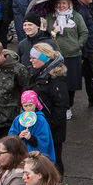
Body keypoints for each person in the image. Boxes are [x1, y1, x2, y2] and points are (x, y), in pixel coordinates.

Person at [26, 43, 69, 173]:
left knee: (53, 162)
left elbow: (61, 106)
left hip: (52, 129)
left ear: (44, 59)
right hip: (38, 126)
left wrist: (48, 126)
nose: (31, 60)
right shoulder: (36, 73)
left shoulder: (55, 78)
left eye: (34, 57)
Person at [44, 0, 88, 110]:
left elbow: (84, 33)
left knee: (71, 83)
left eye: (64, 3)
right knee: (57, 81)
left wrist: (78, 45)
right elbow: (45, 34)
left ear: (69, 4)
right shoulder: (50, 17)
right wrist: (54, 32)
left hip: (72, 55)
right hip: (55, 56)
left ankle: (68, 106)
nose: (61, 6)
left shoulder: (76, 16)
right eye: (58, 3)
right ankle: (59, 105)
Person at [9, 90, 56, 161]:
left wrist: (31, 138)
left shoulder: (41, 120)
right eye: (25, 106)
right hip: (20, 156)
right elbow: (10, 137)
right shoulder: (18, 120)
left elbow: (45, 141)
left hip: (36, 158)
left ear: (36, 104)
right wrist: (18, 136)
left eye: (30, 105)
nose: (28, 108)